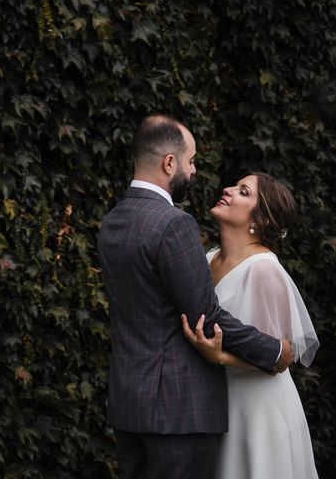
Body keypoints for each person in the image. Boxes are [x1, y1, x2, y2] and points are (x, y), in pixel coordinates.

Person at [96, 114, 295, 479]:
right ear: (169, 163)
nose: (195, 170)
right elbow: (205, 314)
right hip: (178, 410)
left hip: (129, 404)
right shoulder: (174, 223)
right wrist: (275, 351)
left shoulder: (112, 223)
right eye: (191, 162)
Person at [181, 172, 319, 479]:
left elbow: (278, 359)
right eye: (235, 186)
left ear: (261, 220)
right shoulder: (208, 259)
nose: (228, 190)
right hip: (220, 402)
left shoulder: (263, 270)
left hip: (258, 409)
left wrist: (218, 357)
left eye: (243, 192)